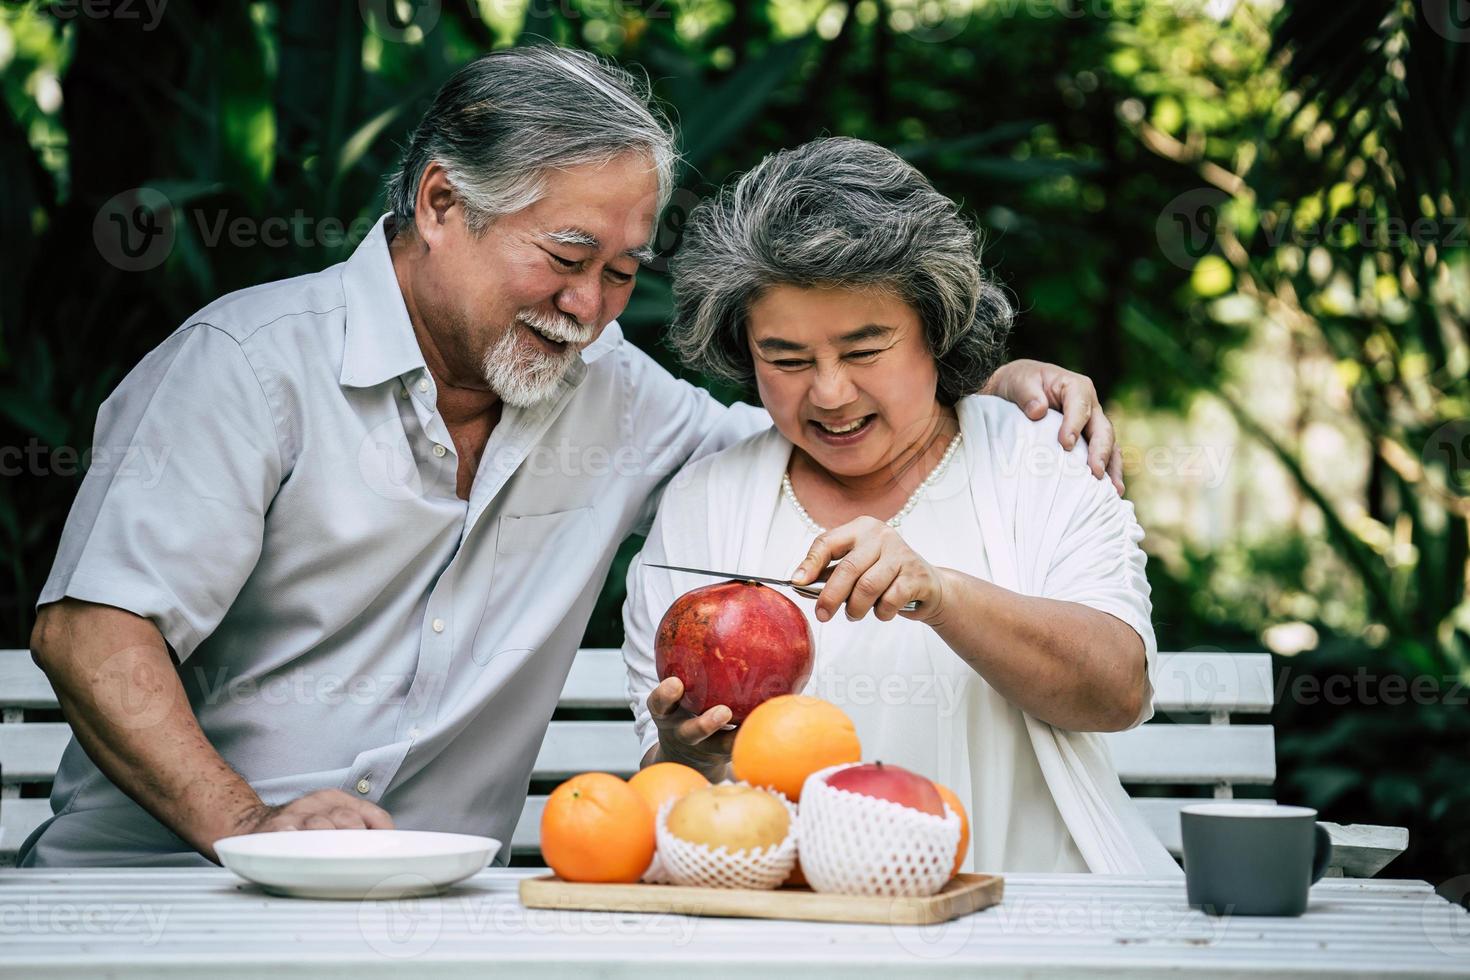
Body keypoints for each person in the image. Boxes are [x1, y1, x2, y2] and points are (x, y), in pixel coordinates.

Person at [23, 49, 1119, 868]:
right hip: (167, 886)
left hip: (432, 913)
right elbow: (91, 630)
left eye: (624, 271)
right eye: (566, 256)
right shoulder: (246, 368)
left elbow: (816, 425)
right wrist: (253, 829)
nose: (590, 308)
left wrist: (985, 380)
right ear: (442, 202)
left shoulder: (614, 394)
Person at [623, 138, 1179, 874]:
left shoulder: (1037, 457)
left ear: (934, 327)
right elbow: (676, 794)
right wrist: (683, 752)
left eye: (864, 350)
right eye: (786, 359)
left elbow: (1118, 690)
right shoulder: (706, 502)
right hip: (790, 932)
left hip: (1042, 915)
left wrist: (941, 594)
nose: (828, 393)